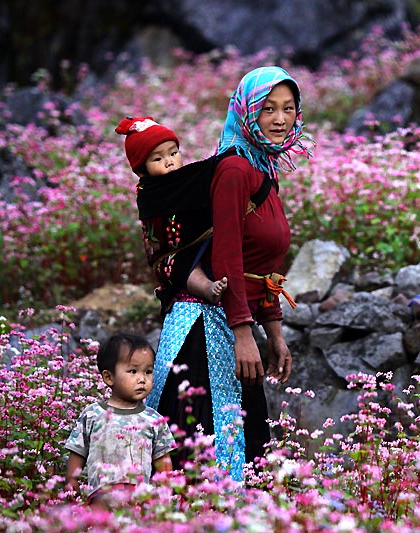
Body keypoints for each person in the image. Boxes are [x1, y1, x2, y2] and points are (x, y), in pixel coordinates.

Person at [145, 66, 313, 480]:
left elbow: (261, 263)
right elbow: (228, 257)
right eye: (267, 108)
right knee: (209, 446)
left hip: (232, 317)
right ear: (246, 111)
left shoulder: (262, 167)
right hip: (206, 327)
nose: (279, 119)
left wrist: (274, 332)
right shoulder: (235, 170)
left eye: (288, 108)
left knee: (245, 439)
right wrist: (243, 332)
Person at [115, 116, 228, 305]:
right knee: (185, 268)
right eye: (158, 158)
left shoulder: (186, 177)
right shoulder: (150, 192)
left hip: (202, 241)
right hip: (170, 254)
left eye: (174, 153)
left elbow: (207, 170)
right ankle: (207, 288)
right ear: (142, 170)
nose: (169, 161)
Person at [65, 333, 175, 506]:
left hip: (139, 498)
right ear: (109, 377)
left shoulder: (154, 419)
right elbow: (78, 450)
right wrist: (72, 480)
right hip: (101, 496)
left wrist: (165, 490)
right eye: (133, 371)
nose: (142, 379)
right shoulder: (93, 414)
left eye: (148, 371)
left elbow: (163, 458)